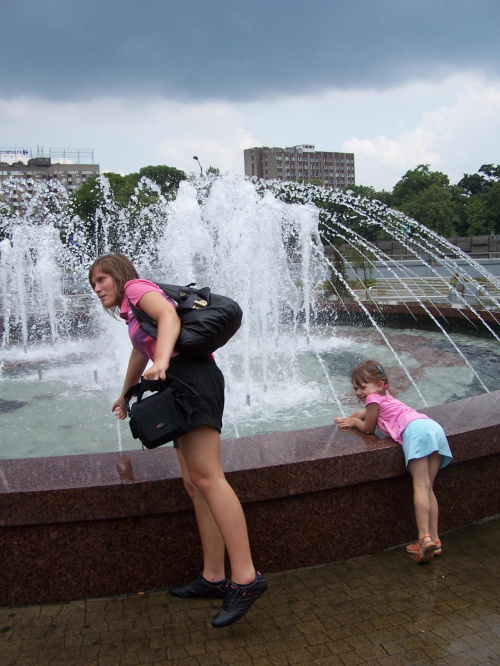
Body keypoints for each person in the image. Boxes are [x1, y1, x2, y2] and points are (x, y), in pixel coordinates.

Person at [89, 253, 267, 627]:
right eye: (93, 284)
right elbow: (141, 352)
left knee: (208, 478)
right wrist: (126, 393)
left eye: (102, 279)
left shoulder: (138, 288)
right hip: (179, 385)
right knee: (194, 484)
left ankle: (246, 577)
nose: (97, 288)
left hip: (193, 380)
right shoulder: (132, 313)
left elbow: (170, 318)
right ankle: (214, 576)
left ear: (119, 276)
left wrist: (164, 360)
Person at [334, 359, 452, 564]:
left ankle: (423, 538)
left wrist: (354, 423)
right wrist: (351, 417)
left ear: (379, 385)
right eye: (355, 388)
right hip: (432, 427)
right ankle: (435, 540)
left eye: (362, 387)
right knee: (429, 488)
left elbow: (368, 427)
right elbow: (364, 413)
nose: (358, 392)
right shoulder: (385, 397)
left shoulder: (373, 399)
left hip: (415, 432)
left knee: (420, 486)